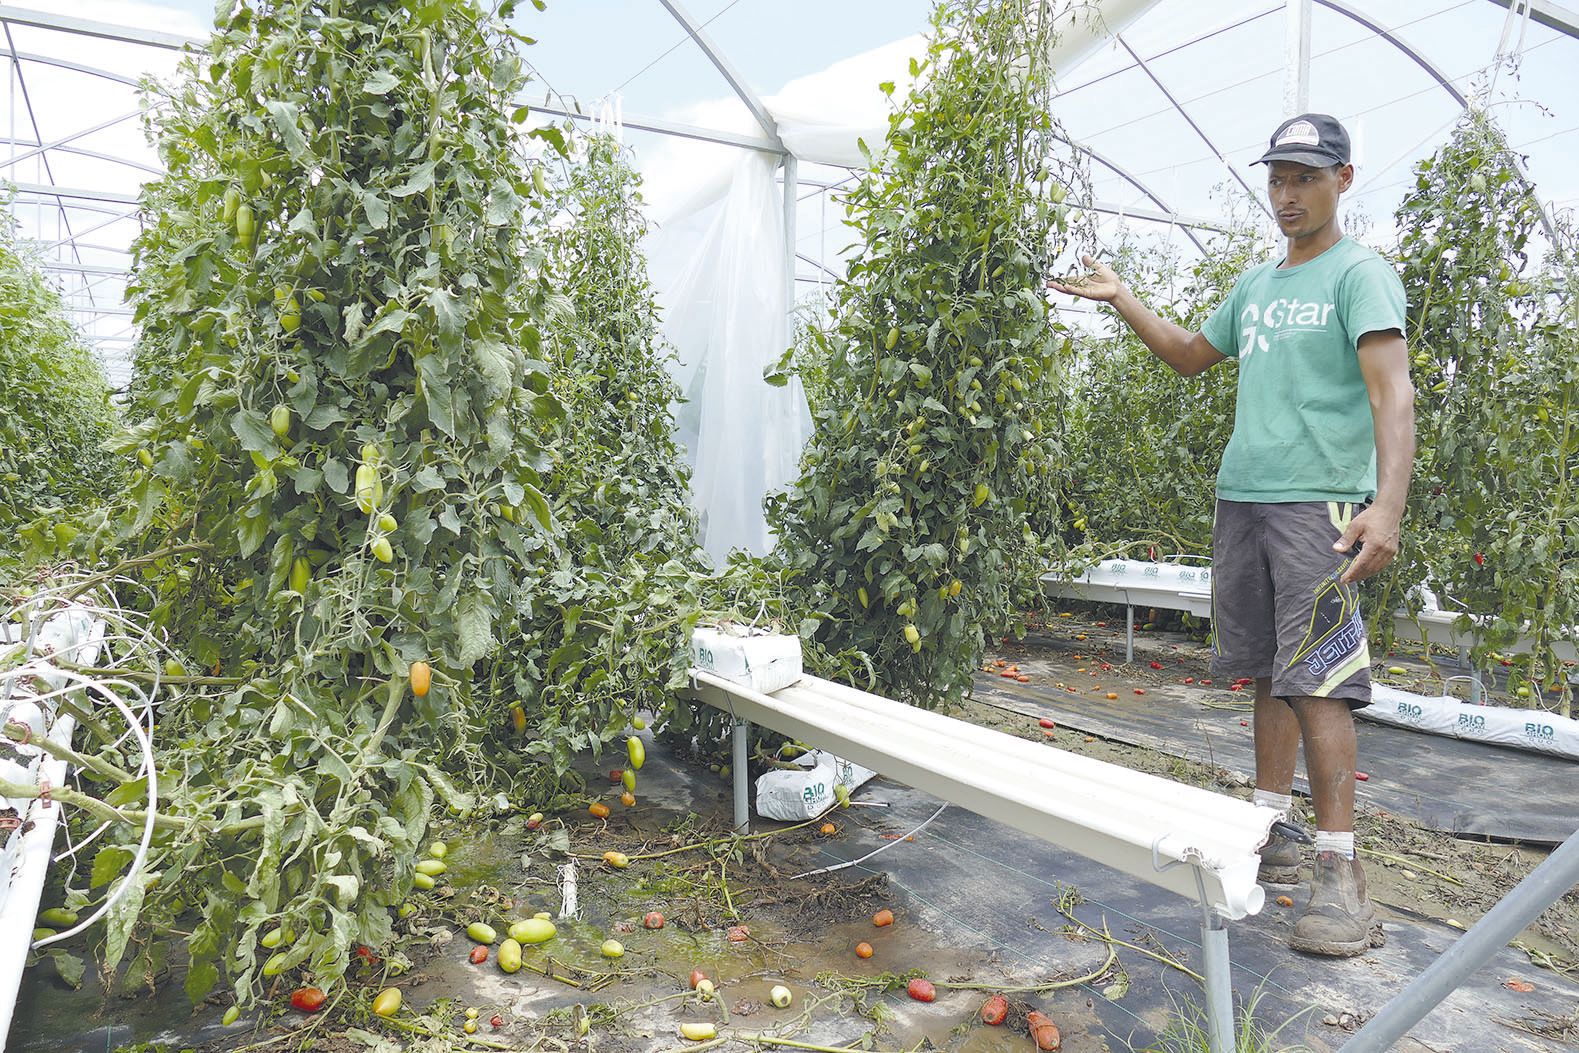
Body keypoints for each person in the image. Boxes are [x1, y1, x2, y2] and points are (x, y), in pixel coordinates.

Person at [1049, 113, 1415, 958]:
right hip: (1242, 497)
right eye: (1278, 179)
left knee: (1319, 677)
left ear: (1342, 180)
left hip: (1317, 502)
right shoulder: (1255, 285)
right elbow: (1186, 354)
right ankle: (1268, 826)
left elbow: (1390, 391)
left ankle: (1338, 872)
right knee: (1269, 671)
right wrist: (1123, 298)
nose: (1287, 195)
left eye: (1305, 178)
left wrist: (1384, 505)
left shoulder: (1359, 275)